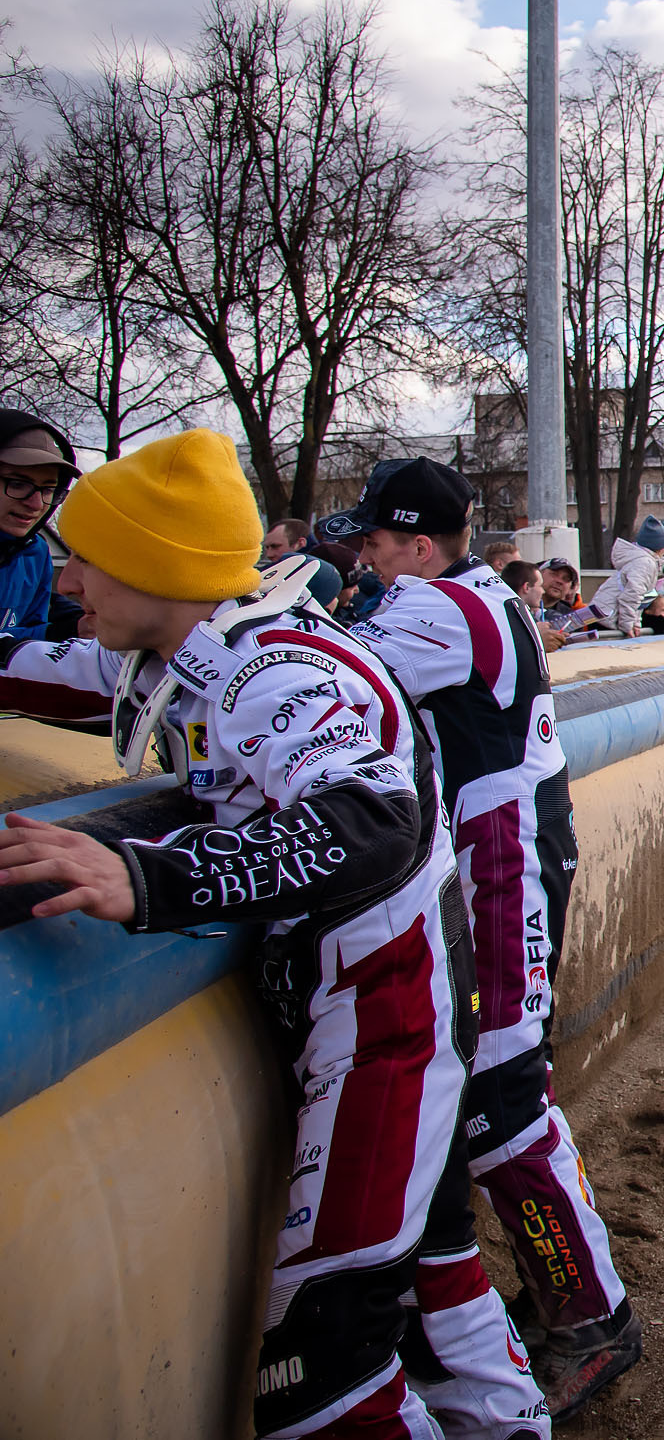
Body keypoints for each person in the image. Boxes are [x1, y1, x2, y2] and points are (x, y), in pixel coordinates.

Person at [0, 430, 528, 1438]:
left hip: (388, 1033)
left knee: (319, 1374)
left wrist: (146, 875)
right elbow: (59, 680)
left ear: (156, 563)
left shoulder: (275, 667)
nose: (64, 578)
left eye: (87, 556)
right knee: (436, 1291)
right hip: (387, 1015)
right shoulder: (217, 649)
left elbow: (373, 823)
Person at [331, 459, 643, 1422]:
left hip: (502, 868)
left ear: (419, 544)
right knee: (498, 1101)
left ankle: (591, 1319)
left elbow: (327, 675)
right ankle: (570, 1305)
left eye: (377, 543)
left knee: (504, 1106)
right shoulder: (465, 600)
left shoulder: (441, 610)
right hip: (496, 860)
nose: (367, 560)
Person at [0, 410, 78, 640]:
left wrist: (74, 628)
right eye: (17, 483)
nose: (36, 504)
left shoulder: (35, 553)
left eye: (47, 489)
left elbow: (32, 633)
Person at [585, 516, 664, 637]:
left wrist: (636, 623)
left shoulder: (640, 561)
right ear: (661, 547)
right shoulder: (644, 563)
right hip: (606, 617)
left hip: (603, 614)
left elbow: (640, 599)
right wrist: (628, 625)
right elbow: (632, 596)